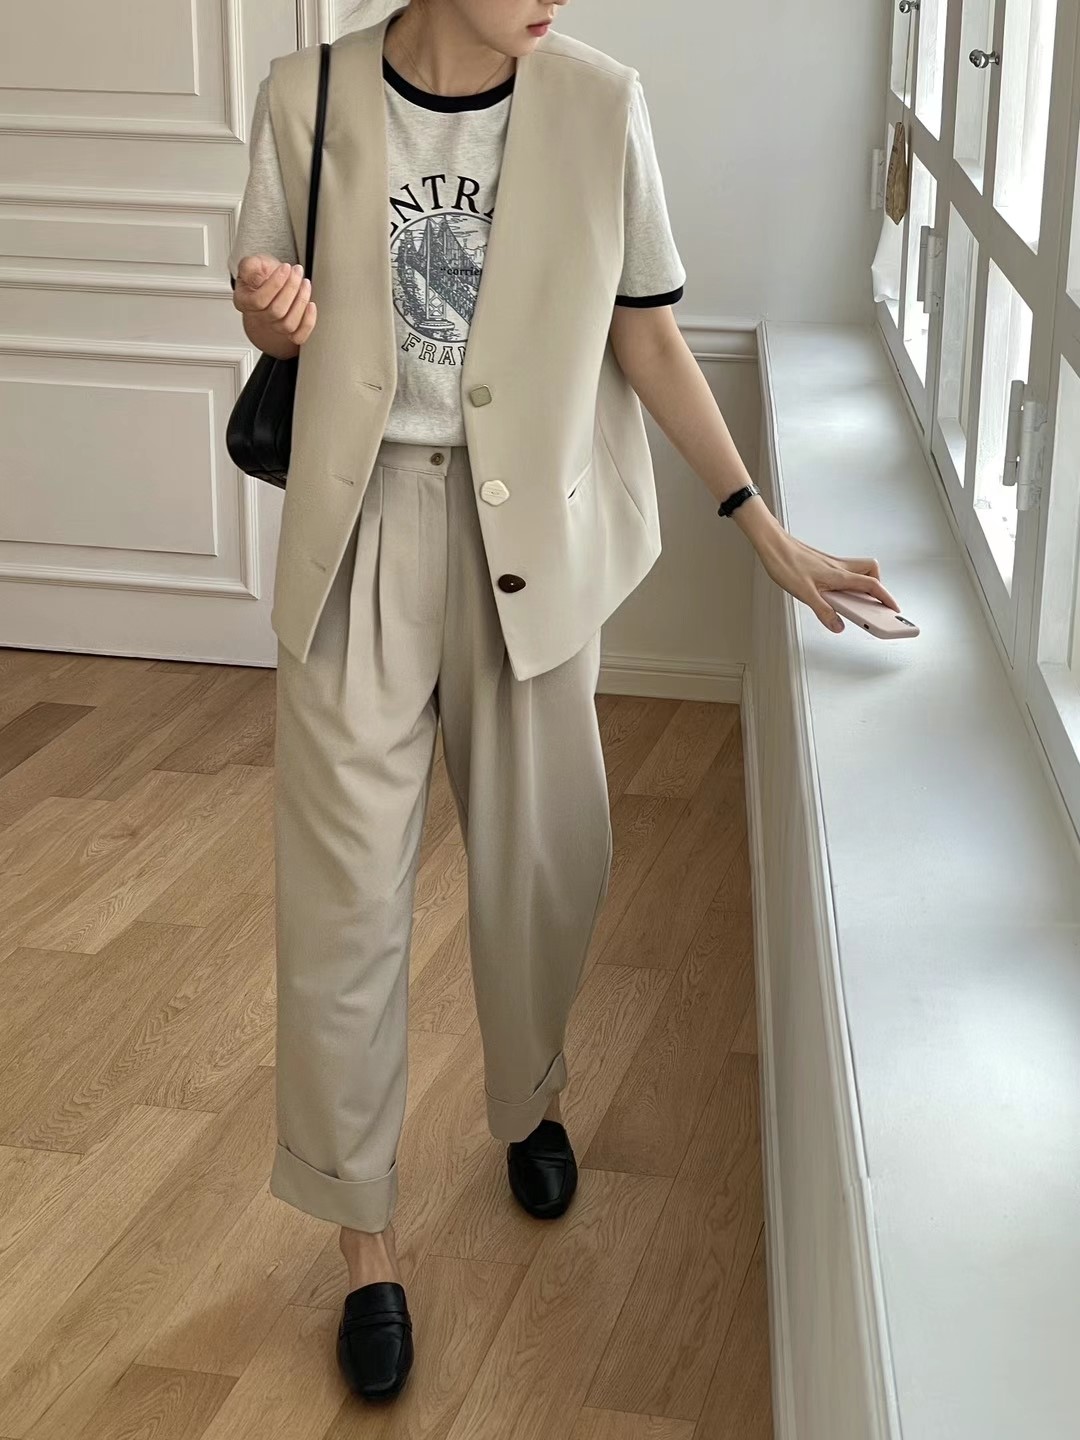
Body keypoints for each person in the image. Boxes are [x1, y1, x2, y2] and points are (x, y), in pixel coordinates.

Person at [228, 0, 900, 1404]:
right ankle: (363, 1238)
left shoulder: (600, 103)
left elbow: (647, 337)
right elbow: (280, 315)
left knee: (545, 865)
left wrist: (762, 526)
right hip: (359, 540)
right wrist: (272, 320)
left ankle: (528, 1093)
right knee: (340, 903)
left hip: (531, 543)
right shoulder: (307, 95)